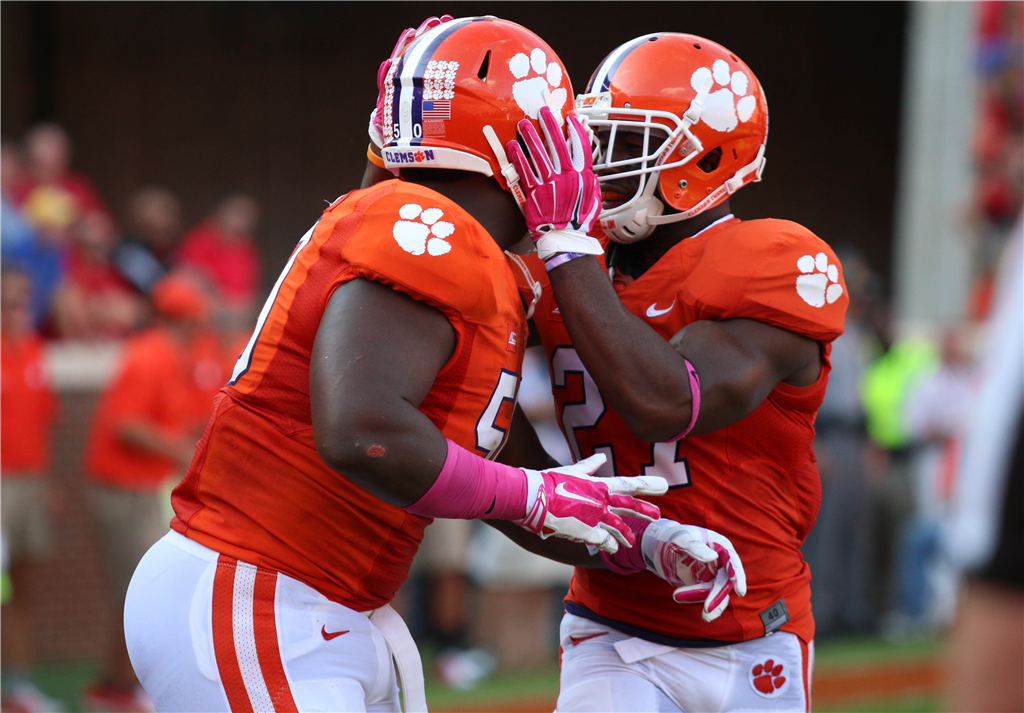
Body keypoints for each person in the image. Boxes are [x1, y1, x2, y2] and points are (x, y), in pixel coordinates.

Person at [122, 18, 678, 713]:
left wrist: (641, 538)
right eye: (559, 132)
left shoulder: (454, 245)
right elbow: (362, 430)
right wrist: (529, 495)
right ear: (511, 143)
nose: (577, 155)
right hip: (260, 591)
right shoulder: (428, 229)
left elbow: (487, 461)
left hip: (312, 600)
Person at [497, 33, 848, 712]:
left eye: (629, 143)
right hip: (610, 618)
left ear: (707, 156)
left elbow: (666, 399)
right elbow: (475, 399)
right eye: (596, 141)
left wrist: (570, 253)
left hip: (754, 626)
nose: (600, 163)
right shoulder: (557, 261)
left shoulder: (773, 258)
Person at [82, 275, 224, 712]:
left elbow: (203, 412)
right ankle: (114, 687)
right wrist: (180, 448)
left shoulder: (187, 355)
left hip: (151, 488)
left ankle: (121, 684)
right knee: (138, 592)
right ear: (183, 318)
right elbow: (124, 424)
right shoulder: (148, 355)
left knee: (155, 590)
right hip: (122, 489)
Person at [0, 266, 63, 713]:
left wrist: (47, 482)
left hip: (29, 483)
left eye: (24, 300)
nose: (18, 310)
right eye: (8, 301)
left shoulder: (34, 350)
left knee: (21, 587)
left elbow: (42, 422)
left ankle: (19, 687)